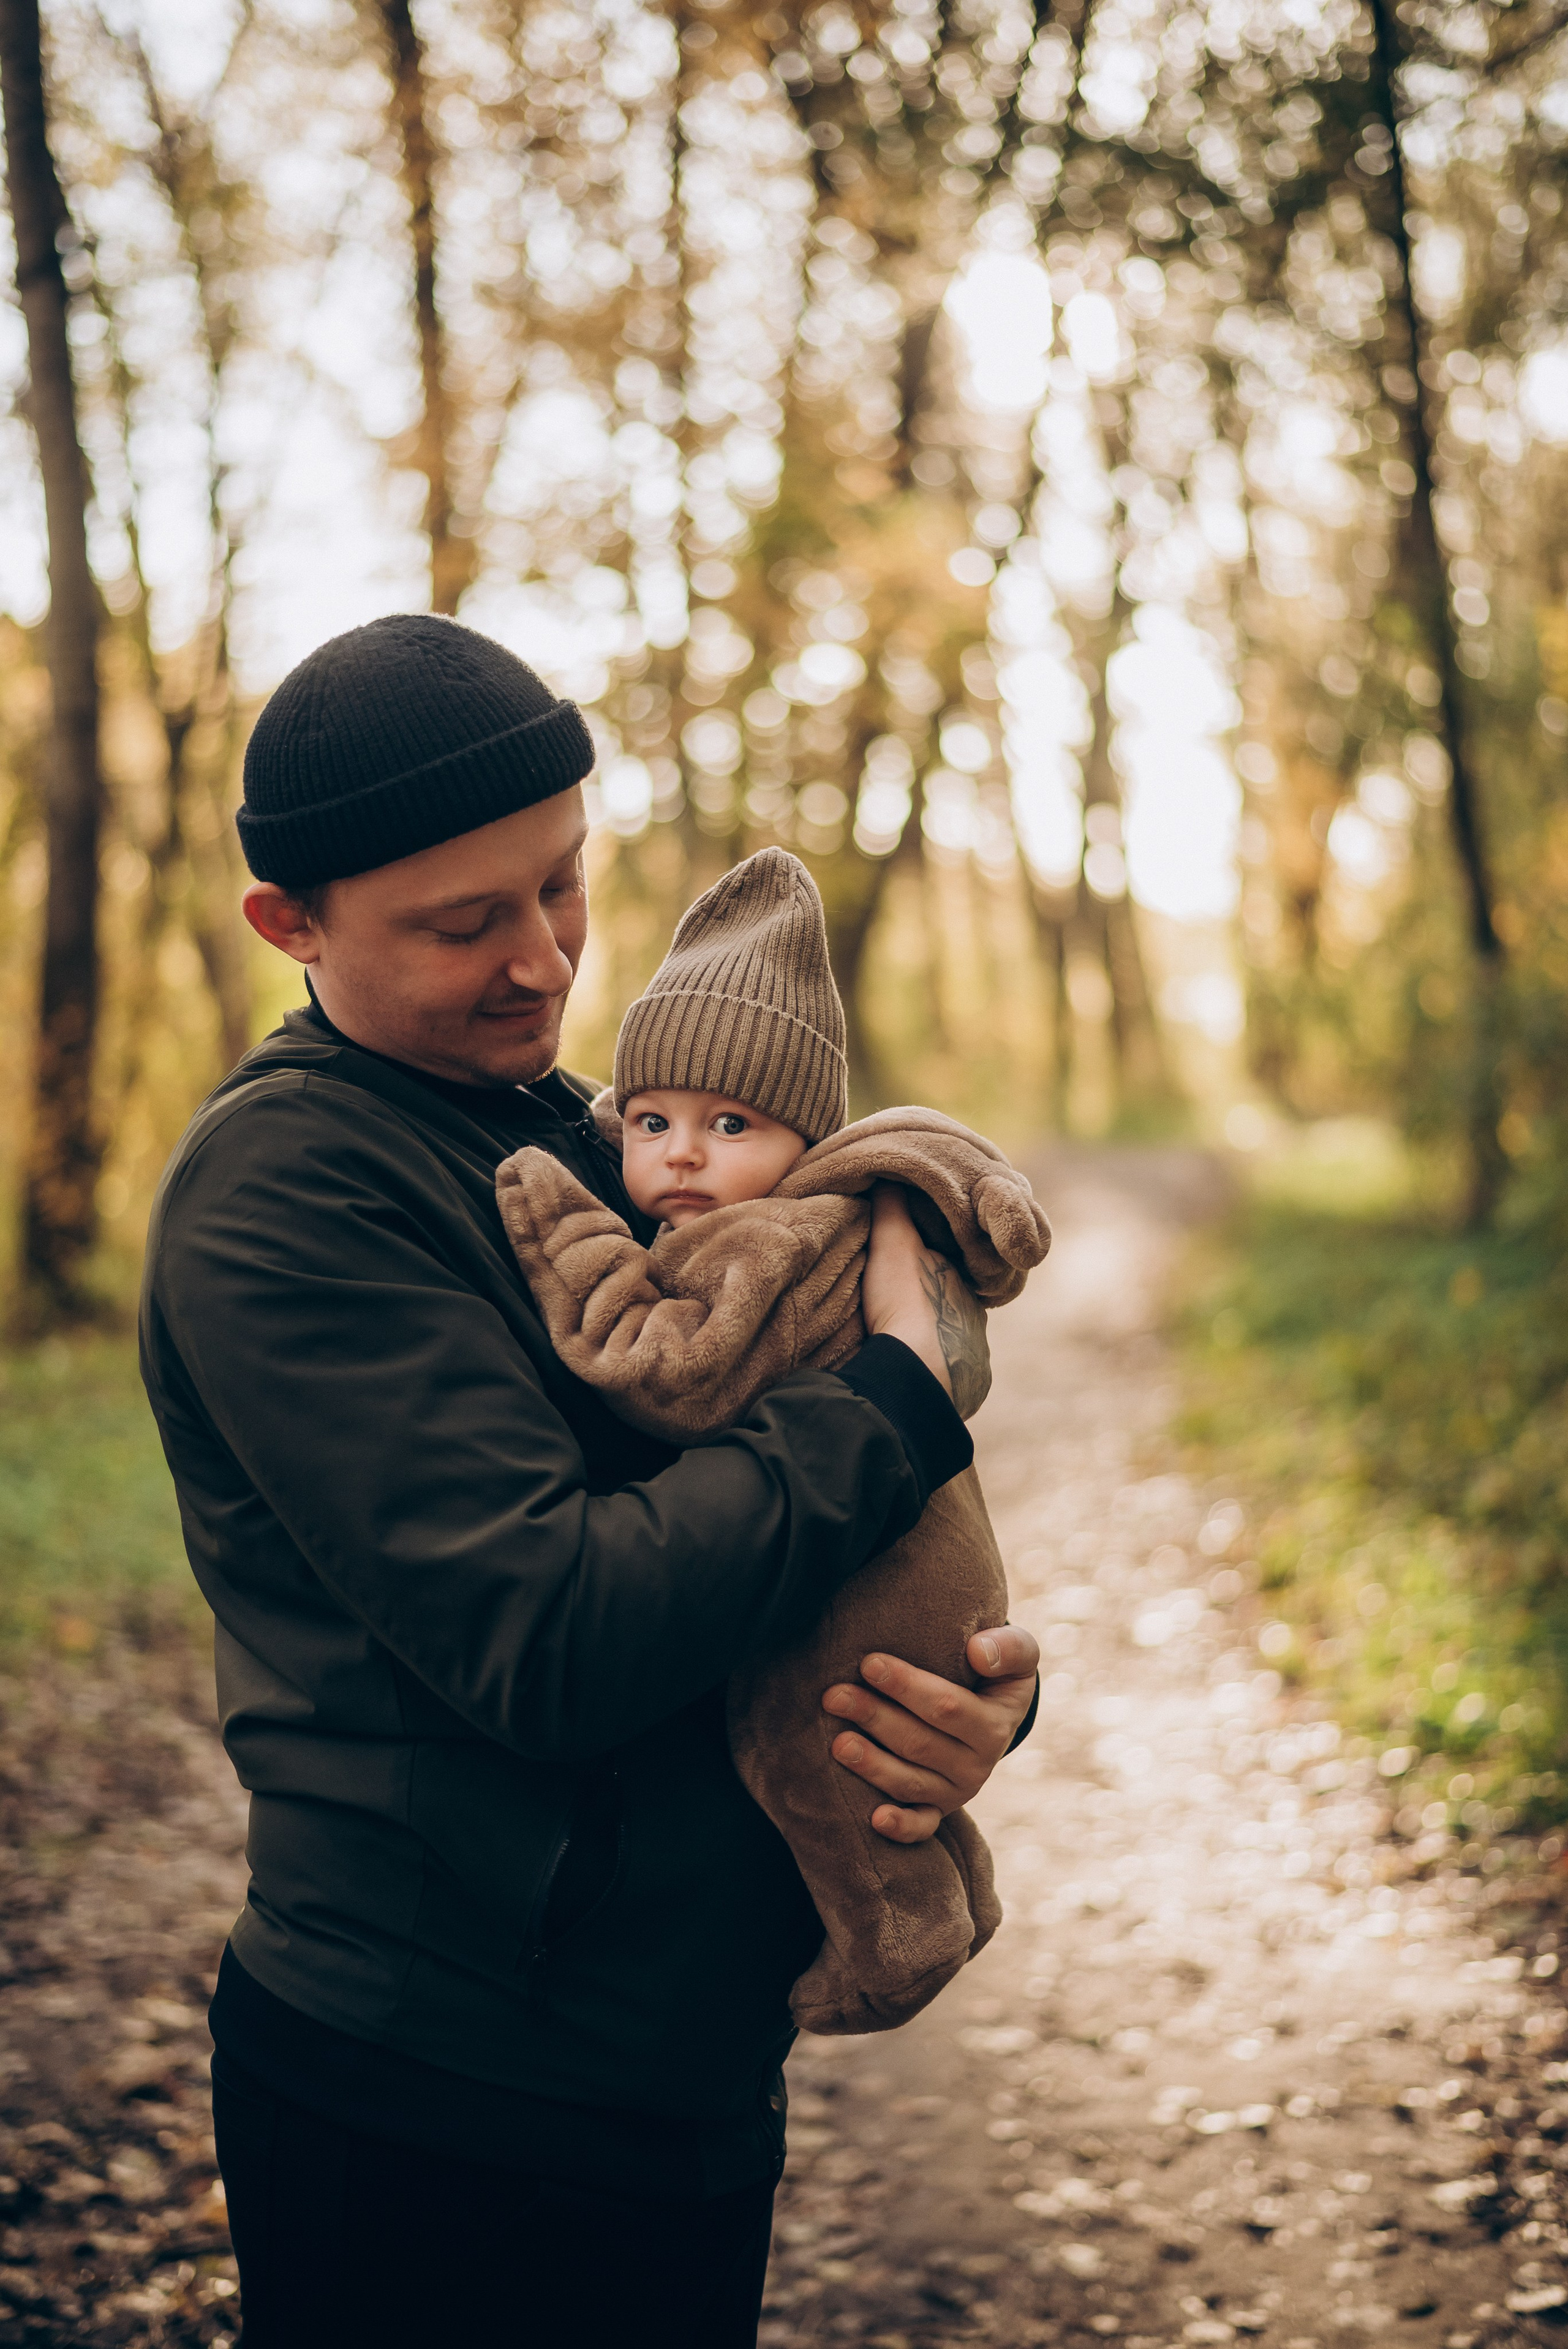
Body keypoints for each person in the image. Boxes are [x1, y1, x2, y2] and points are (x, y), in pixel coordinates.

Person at [138, 613, 1040, 2349]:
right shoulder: (285, 1195)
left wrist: (961, 1693)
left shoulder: (581, 1129)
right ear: (291, 921)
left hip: (676, 2065)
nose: (545, 960)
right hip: (444, 2098)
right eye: (465, 920)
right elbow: (554, 1636)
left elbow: (773, 1534)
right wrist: (900, 1401)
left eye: (563, 883)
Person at [496, 845, 1052, 2036]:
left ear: (804, 1138)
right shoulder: (815, 1214)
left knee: (817, 1767)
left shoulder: (764, 1239)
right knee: (875, 1780)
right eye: (649, 1121)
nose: (680, 1153)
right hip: (904, 1554)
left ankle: (890, 1951)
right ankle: (949, 1900)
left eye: (726, 1122)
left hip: (865, 1585)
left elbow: (679, 1378)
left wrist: (571, 1239)